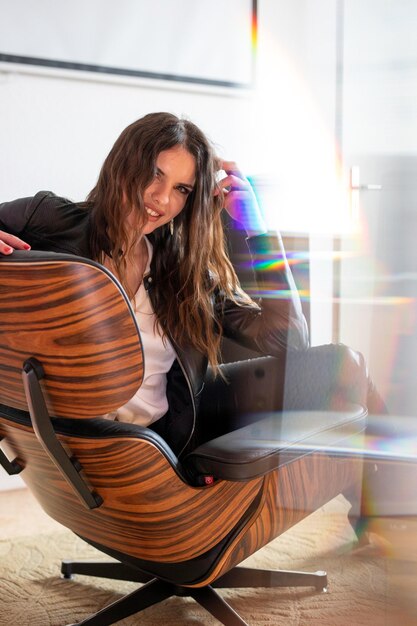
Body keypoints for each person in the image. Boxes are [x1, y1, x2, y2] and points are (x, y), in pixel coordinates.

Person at [0, 111, 384, 458]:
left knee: (341, 366)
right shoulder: (50, 219)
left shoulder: (183, 273)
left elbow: (288, 341)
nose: (161, 199)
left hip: (165, 438)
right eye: (154, 173)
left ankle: (395, 503)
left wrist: (259, 230)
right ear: (123, 165)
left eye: (182, 189)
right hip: (76, 440)